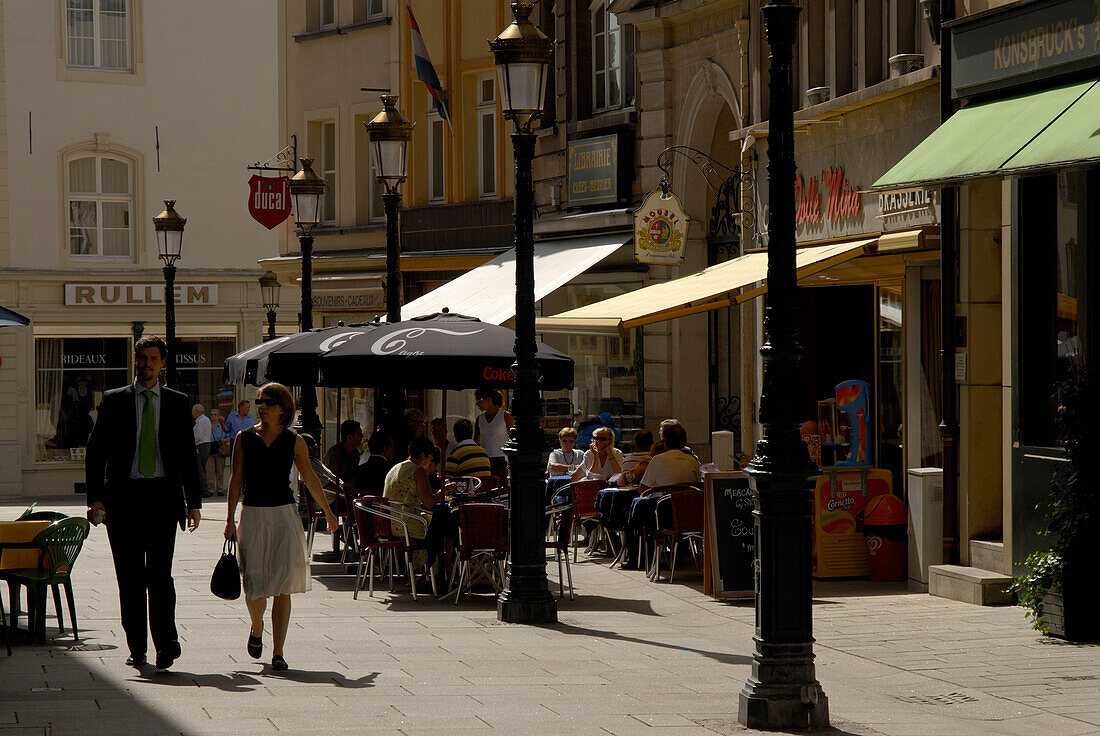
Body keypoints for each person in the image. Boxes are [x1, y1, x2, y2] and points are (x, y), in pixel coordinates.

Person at [84, 335, 202, 671]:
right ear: (135, 361)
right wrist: (95, 499)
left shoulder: (178, 402)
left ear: (162, 363)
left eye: (153, 358)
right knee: (131, 579)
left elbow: (186, 455)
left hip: (163, 499)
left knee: (161, 577)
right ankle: (137, 647)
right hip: (123, 502)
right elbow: (96, 453)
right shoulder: (115, 400)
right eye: (142, 358)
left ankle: (166, 643)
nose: (147, 364)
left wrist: (194, 502)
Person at [224, 382, 337, 673]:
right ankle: (257, 626)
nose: (262, 405)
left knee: (283, 586)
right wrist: (229, 520)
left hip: (284, 516)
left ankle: (278, 652)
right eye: (260, 400)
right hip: (253, 515)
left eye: (269, 401)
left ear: (283, 408)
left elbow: (310, 478)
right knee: (254, 586)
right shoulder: (244, 438)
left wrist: (328, 511)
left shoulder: (294, 441)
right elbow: (236, 480)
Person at [383, 436, 446, 569]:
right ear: (423, 456)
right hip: (408, 524)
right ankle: (435, 570)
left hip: (390, 522)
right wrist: (443, 492)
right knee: (441, 526)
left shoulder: (395, 468)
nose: (430, 463)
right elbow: (429, 502)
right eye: (429, 458)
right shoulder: (418, 471)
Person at [638, 420, 701, 494]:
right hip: (686, 504)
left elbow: (642, 489)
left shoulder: (657, 459)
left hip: (663, 504)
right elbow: (698, 485)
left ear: (665, 440)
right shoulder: (693, 461)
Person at [474, 389, 513, 483]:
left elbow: (513, 438)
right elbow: (476, 442)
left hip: (502, 460)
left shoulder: (505, 416)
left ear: (488, 400)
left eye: (479, 401)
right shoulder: (479, 419)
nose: (477, 404)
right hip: (485, 461)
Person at [323, 419, 363, 492]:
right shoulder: (334, 454)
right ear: (349, 437)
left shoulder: (355, 453)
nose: (362, 436)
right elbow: (328, 479)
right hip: (334, 496)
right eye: (359, 433)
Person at [353, 429, 394, 495]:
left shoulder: (357, 471)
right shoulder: (391, 472)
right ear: (385, 448)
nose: (392, 451)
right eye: (391, 447)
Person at [193, 404, 213, 498]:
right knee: (201, 468)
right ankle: (203, 489)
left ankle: (204, 490)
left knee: (200, 469)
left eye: (193, 411)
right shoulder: (205, 420)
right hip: (204, 445)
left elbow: (198, 436)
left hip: (201, 445)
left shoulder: (201, 421)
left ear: (197, 412)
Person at [208, 409, 230, 495]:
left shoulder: (222, 427)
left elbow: (229, 436)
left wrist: (223, 440)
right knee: (210, 471)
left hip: (220, 448)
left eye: (215, 414)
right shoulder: (208, 426)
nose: (213, 416)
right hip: (210, 449)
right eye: (211, 414)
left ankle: (220, 489)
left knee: (220, 471)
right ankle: (211, 489)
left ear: (218, 416)